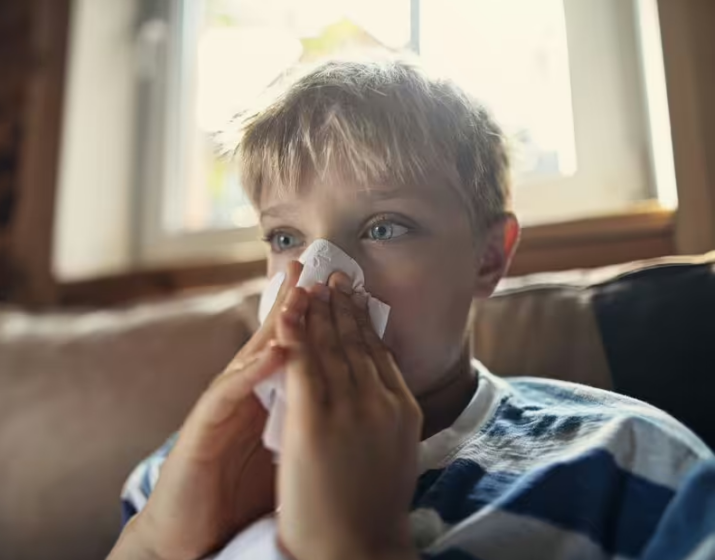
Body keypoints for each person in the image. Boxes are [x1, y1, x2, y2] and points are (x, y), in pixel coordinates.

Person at [108, 55, 713, 560]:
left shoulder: (628, 463)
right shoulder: (187, 475)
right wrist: (157, 543)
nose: (321, 279)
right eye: (286, 238)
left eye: (385, 227)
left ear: (486, 258)